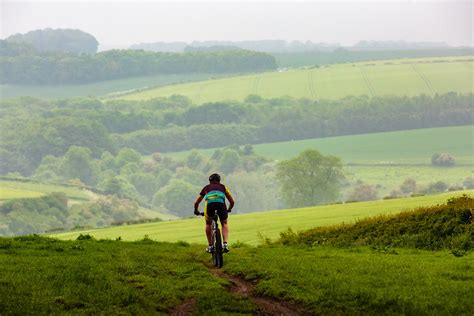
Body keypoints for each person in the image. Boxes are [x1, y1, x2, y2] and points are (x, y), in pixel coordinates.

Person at [194, 173, 234, 253]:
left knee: (208, 224)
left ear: (210, 181)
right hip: (221, 206)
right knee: (224, 223)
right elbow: (232, 201)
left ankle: (210, 246)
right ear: (219, 181)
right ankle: (225, 244)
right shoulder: (223, 187)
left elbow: (196, 202)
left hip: (210, 206)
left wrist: (196, 210)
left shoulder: (206, 188)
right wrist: (229, 209)